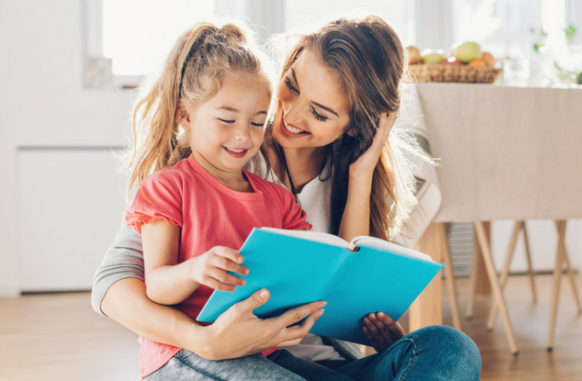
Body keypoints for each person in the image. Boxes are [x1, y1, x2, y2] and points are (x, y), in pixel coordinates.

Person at [93, 15, 481, 381]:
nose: (290, 115)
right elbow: (116, 284)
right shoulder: (213, 159)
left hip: (311, 363)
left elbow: (337, 288)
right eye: (292, 85)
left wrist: (361, 178)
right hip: (220, 355)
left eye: (320, 113)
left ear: (353, 127)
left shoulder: (305, 189)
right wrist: (204, 340)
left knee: (452, 348)